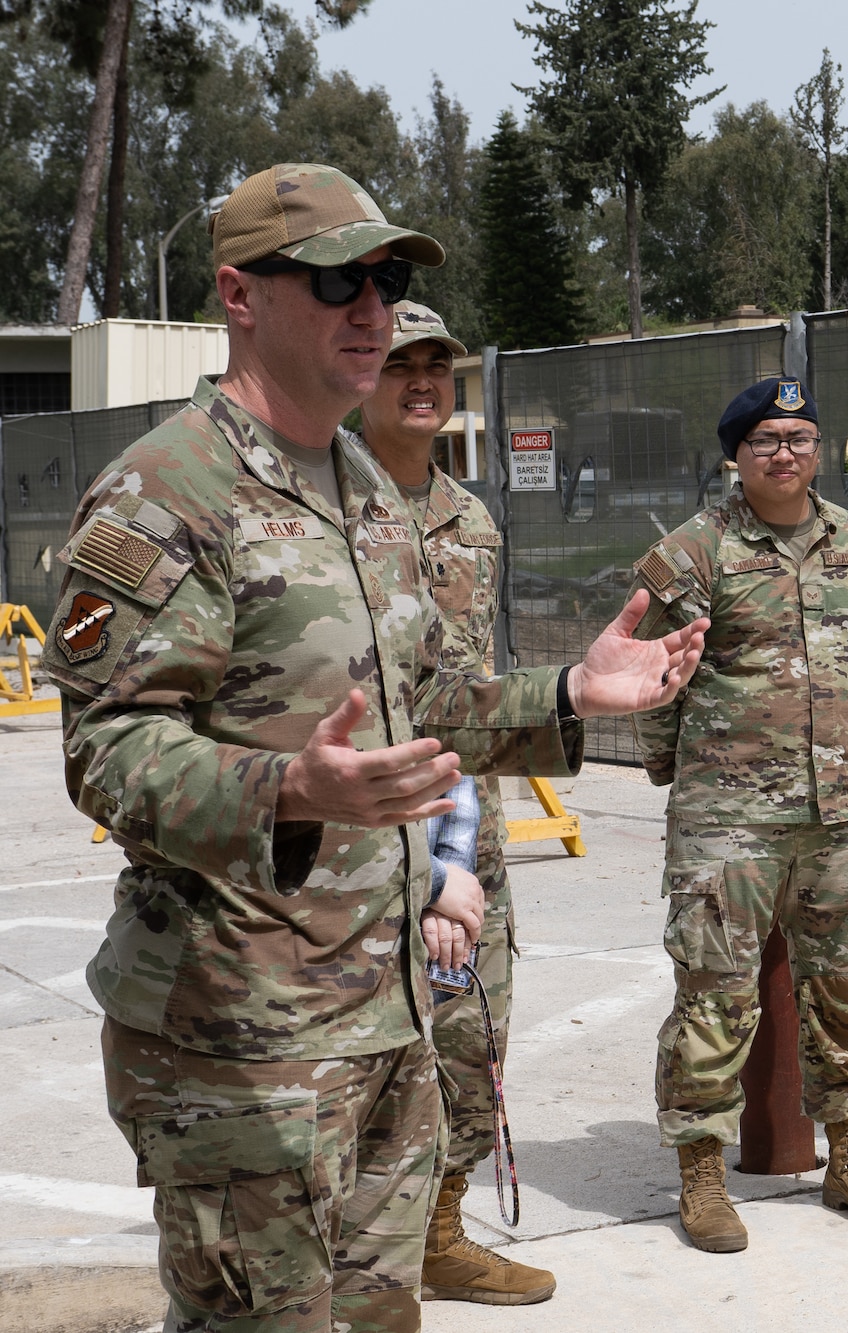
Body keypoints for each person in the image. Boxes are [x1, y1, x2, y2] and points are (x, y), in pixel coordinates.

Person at [43, 163, 705, 1333]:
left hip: (392, 1016)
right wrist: (287, 789)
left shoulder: (365, 484)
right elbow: (110, 751)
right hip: (242, 1042)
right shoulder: (163, 492)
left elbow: (430, 698)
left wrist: (568, 694)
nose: (376, 310)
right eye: (341, 278)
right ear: (240, 296)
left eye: (388, 279)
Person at [631, 377, 848, 1253]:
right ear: (734, 456)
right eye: (765, 440)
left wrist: (841, 755)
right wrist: (676, 768)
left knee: (844, 989)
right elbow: (655, 673)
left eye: (799, 436)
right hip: (729, 816)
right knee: (714, 997)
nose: (783, 451)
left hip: (839, 814)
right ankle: (702, 1174)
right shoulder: (694, 552)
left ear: (819, 449)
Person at [346, 300, 554, 1304]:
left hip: (464, 822)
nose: (422, 381)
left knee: (473, 1033)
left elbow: (467, 684)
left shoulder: (471, 519)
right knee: (358, 1050)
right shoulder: (323, 498)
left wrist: (460, 849)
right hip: (353, 828)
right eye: (400, 364)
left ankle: (440, 1230)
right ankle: (350, 1255)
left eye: (438, 365)